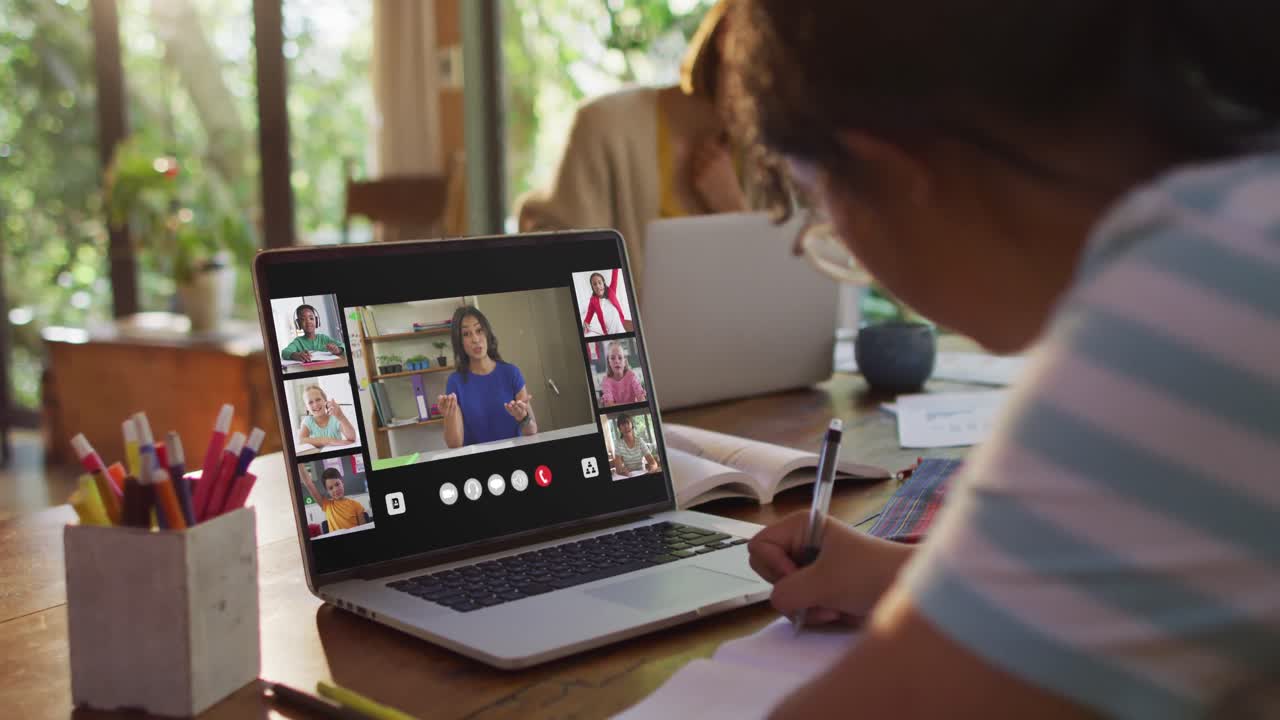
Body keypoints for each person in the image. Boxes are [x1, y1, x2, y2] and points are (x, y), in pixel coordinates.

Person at [726, 2, 1280, 718]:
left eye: (824, 215)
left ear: (890, 172)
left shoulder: (1205, 294)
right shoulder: (1246, 219)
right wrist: (923, 582)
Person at [515, 0, 747, 291]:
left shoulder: (776, 157)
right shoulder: (605, 124)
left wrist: (734, 210)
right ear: (729, 35)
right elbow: (555, 262)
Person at [436, 307, 537, 449]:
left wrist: (523, 418)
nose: (475, 339)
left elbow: (532, 430)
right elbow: (454, 444)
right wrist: (449, 416)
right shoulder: (455, 382)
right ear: (460, 342)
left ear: (487, 333)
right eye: (466, 334)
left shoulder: (511, 373)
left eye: (479, 330)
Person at [298, 464, 367, 532]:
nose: (335, 489)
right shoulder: (326, 505)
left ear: (342, 482)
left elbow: (363, 529)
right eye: (331, 488)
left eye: (337, 484)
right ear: (327, 491)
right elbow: (308, 483)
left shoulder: (356, 505)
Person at [297, 384, 357, 449]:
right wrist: (327, 441)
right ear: (306, 407)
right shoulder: (308, 421)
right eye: (310, 402)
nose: (315, 404)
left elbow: (352, 437)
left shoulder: (334, 418)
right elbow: (301, 440)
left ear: (325, 401)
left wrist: (341, 416)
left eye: (318, 399)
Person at [281, 304, 345, 363]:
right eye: (303, 319)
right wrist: (295, 355)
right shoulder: (298, 342)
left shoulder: (324, 338)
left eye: (311, 318)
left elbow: (343, 345)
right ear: (298, 324)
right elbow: (284, 352)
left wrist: (338, 350)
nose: (308, 322)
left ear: (316, 321)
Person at [582, 269, 633, 336]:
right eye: (594, 284)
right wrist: (585, 325)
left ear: (603, 282)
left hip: (621, 329)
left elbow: (615, 274)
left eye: (599, 282)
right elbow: (588, 318)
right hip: (609, 333)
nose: (597, 286)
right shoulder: (593, 301)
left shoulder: (611, 290)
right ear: (592, 287)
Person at [599, 340, 646, 407]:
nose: (617, 361)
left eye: (620, 358)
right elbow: (609, 406)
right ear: (609, 362)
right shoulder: (606, 380)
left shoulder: (631, 375)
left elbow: (642, 400)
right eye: (612, 358)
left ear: (625, 361)